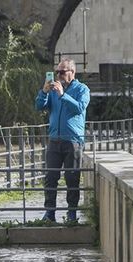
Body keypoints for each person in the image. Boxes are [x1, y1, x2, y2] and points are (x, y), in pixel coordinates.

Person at [35, 58, 91, 223]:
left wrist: (63, 95)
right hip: (54, 140)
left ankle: (72, 214)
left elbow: (79, 108)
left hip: (73, 140)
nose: (58, 75)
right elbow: (39, 106)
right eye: (57, 71)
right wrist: (44, 92)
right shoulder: (52, 90)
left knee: (72, 178)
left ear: (72, 73)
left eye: (62, 72)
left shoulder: (82, 89)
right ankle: (49, 213)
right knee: (51, 177)